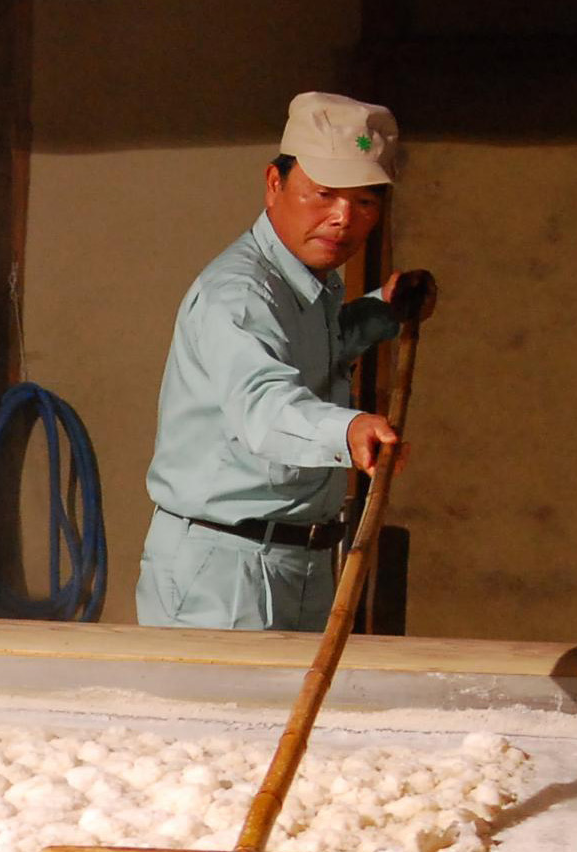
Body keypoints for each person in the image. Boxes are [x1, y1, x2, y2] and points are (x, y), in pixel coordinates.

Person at [135, 92, 438, 632]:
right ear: (274, 184)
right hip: (225, 570)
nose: (343, 218)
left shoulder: (305, 284)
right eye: (323, 194)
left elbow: (310, 352)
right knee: (226, 715)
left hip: (299, 557)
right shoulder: (242, 293)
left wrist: (382, 311)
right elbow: (265, 407)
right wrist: (349, 432)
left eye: (365, 202)